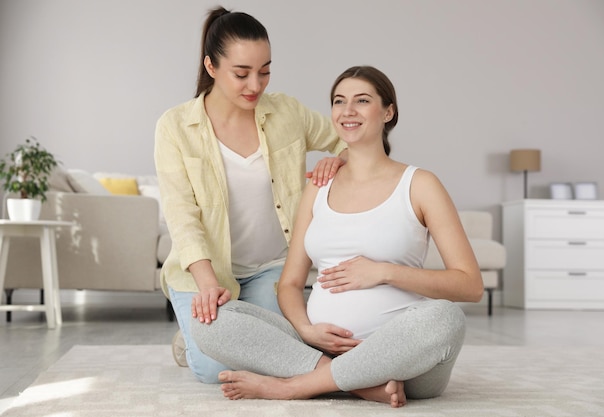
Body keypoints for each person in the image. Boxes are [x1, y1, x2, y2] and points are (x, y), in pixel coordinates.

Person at [189, 65, 484, 407]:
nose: (348, 111)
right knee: (209, 323)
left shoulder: (420, 184)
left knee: (446, 319)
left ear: (388, 112)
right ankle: (355, 384)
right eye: (339, 101)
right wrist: (306, 330)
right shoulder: (318, 186)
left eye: (362, 100)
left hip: (404, 361)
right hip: (317, 347)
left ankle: (295, 386)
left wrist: (383, 271)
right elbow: (289, 283)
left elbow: (470, 285)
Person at [154, 6, 346, 384]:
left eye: (265, 71)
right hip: (205, 274)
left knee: (288, 350)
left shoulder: (286, 112)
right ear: (211, 67)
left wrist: (338, 161)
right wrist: (208, 286)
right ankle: (190, 343)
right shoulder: (175, 126)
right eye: (241, 74)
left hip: (270, 269)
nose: (255, 85)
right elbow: (181, 215)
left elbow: (350, 139)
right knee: (217, 371)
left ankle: (219, 331)